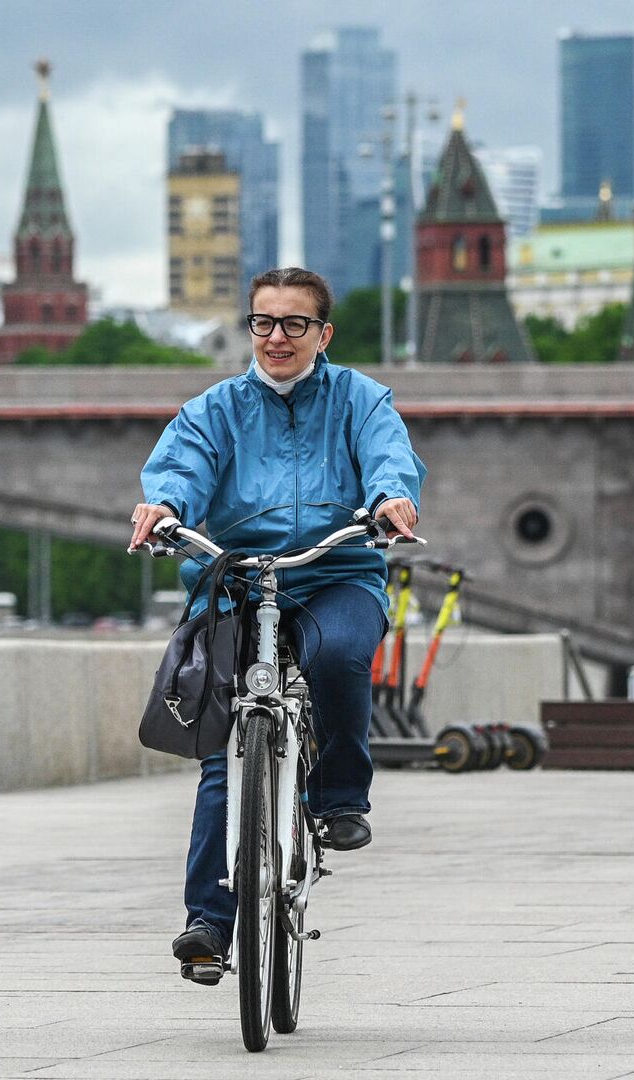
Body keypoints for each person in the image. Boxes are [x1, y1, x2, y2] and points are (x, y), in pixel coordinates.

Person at [129, 266, 426, 980]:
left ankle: (339, 798)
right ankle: (208, 920)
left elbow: (390, 457)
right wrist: (164, 507)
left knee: (339, 656)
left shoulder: (360, 400)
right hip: (238, 578)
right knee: (219, 748)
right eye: (264, 322)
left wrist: (389, 499)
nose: (277, 337)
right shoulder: (216, 409)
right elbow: (182, 467)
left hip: (335, 572)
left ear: (323, 335)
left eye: (295, 324)